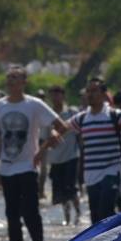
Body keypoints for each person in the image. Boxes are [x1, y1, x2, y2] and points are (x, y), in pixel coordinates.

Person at [49, 77, 121, 224]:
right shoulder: (82, 118)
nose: (90, 94)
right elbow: (62, 129)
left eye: (94, 91)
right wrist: (54, 135)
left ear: (104, 94)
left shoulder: (115, 115)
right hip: (91, 174)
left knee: (105, 211)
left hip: (112, 170)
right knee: (95, 217)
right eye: (88, 91)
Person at [0, 65, 58, 241]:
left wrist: (42, 150)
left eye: (15, 77)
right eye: (9, 77)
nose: (10, 80)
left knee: (30, 212)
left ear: (24, 82)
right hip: (7, 169)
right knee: (11, 215)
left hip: (28, 166)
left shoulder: (34, 104)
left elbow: (61, 126)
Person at [45, 85, 80, 224]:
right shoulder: (48, 115)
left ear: (63, 96)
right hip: (55, 159)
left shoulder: (72, 112)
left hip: (71, 156)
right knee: (59, 192)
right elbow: (44, 138)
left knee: (71, 188)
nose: (55, 98)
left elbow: (80, 135)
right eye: (52, 95)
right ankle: (67, 218)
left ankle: (77, 213)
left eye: (57, 94)